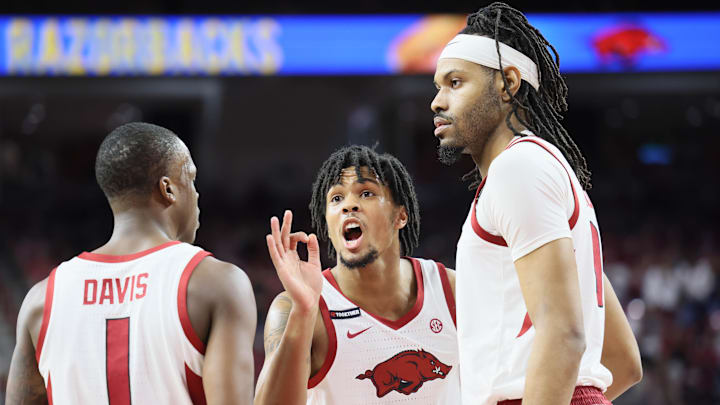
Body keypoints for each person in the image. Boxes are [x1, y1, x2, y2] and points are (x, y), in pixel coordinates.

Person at [430, 3, 642, 404]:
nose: (437, 102)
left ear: (508, 83)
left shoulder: (518, 168)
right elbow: (622, 361)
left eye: (455, 83)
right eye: (438, 86)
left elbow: (563, 334)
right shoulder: (541, 171)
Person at [6, 122, 256, 405]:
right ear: (168, 189)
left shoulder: (41, 300)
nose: (197, 195)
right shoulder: (217, 283)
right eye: (191, 179)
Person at [254, 145, 459, 405]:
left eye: (366, 193)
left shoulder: (451, 290)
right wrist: (303, 312)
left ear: (400, 216)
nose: (349, 205)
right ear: (327, 225)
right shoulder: (297, 308)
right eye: (336, 198)